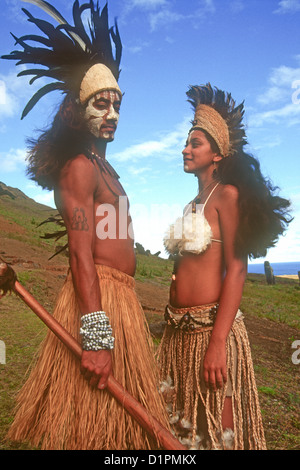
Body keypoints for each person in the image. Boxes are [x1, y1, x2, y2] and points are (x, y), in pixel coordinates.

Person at [2, 0, 169, 450]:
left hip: (126, 301)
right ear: (80, 111)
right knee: (96, 431)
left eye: (116, 103)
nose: (112, 113)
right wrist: (96, 335)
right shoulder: (79, 168)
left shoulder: (106, 170)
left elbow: (113, 232)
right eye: (101, 103)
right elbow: (82, 252)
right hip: (99, 302)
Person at [157, 83, 291, 450]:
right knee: (187, 430)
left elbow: (237, 270)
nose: (185, 149)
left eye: (194, 143)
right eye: (186, 143)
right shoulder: (191, 204)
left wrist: (218, 343)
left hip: (210, 332)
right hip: (179, 334)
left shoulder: (226, 196)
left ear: (217, 154)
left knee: (218, 429)